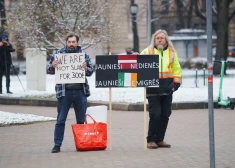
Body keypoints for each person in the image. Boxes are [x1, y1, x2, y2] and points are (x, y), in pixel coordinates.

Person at [47, 33, 94, 153]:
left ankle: (82, 143)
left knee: (80, 120)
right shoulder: (58, 54)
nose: (71, 44)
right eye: (69, 42)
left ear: (77, 42)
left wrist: (85, 68)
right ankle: (57, 144)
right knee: (60, 120)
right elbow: (49, 70)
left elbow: (90, 71)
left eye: (74, 42)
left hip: (80, 92)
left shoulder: (83, 55)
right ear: (66, 42)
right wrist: (53, 66)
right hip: (64, 93)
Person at [140, 29, 182, 149]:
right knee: (155, 115)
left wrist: (175, 86)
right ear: (154, 39)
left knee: (165, 114)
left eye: (161, 38)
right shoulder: (147, 51)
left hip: (168, 88)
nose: (159, 40)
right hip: (152, 88)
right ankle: (151, 140)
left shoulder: (172, 52)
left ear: (166, 40)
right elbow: (138, 65)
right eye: (157, 38)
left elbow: (176, 69)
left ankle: (160, 139)